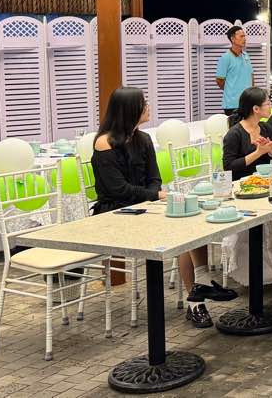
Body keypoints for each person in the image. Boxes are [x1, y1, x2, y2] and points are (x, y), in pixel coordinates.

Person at [91, 86, 235, 328]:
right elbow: (119, 190)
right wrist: (155, 196)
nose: (147, 107)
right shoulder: (104, 144)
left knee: (190, 222)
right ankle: (197, 296)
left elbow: (154, 177)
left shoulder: (143, 139)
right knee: (176, 231)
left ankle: (198, 291)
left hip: (146, 204)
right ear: (129, 110)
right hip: (116, 211)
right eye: (143, 104)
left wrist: (155, 195)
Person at [221, 87, 272, 180]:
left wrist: (271, 151)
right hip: (242, 185)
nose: (271, 107)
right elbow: (228, 166)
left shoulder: (266, 128)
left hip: (266, 181)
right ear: (256, 109)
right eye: (268, 103)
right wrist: (258, 152)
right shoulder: (234, 134)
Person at [215, 25, 252, 117]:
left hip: (247, 102)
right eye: (241, 36)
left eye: (245, 36)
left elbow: (251, 76)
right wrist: (232, 90)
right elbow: (219, 81)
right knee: (236, 131)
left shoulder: (246, 55)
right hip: (232, 105)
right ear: (232, 39)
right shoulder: (225, 58)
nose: (245, 39)